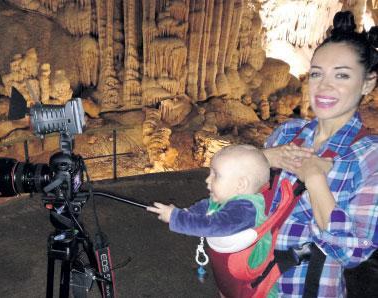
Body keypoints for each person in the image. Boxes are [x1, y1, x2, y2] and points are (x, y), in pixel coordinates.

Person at [261, 10, 378, 297]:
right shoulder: (288, 133)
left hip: (305, 288)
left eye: (342, 75)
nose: (324, 86)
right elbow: (236, 195)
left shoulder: (368, 157)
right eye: (316, 73)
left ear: (367, 83)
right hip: (253, 282)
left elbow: (352, 252)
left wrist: (314, 180)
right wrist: (263, 159)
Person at [147, 144, 275, 297]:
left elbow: (214, 224)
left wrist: (177, 218)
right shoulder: (228, 198)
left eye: (216, 175)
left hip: (254, 284)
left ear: (241, 185)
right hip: (232, 272)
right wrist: (187, 212)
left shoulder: (245, 209)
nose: (207, 180)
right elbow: (206, 205)